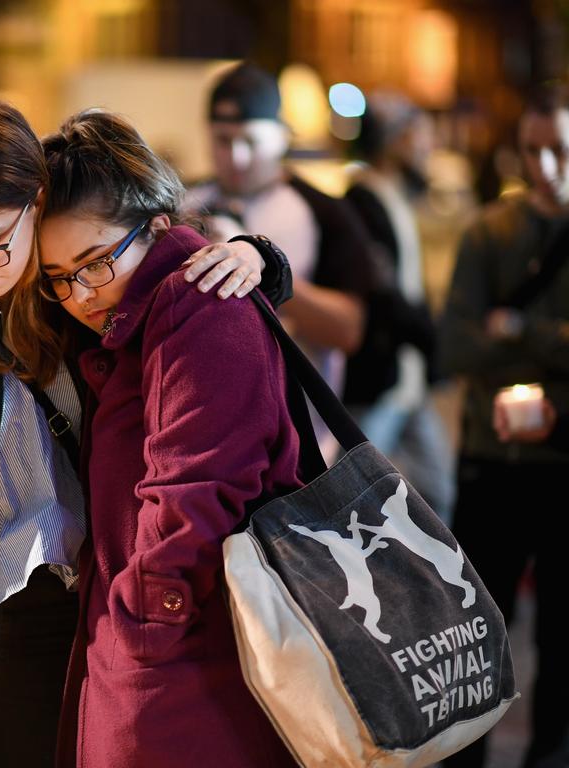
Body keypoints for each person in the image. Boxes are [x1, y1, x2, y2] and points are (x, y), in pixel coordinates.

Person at [0, 93, 290, 768]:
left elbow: (169, 258)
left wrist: (258, 256)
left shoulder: (80, 301)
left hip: (62, 629)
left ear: (36, 204)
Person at [37, 108, 302, 768]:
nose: (79, 293)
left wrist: (143, 627)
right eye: (59, 276)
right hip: (157, 652)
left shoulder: (198, 304)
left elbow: (196, 492)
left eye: (96, 261)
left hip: (187, 669)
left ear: (156, 224)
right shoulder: (128, 315)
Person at [437, 82, 569, 768]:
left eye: (561, 151)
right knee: (478, 629)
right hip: (493, 464)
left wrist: (521, 330)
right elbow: (454, 344)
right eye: (534, 150)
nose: (545, 167)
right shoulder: (491, 230)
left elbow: (481, 337)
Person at [184, 60, 375, 461]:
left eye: (251, 142)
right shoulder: (184, 205)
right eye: (222, 140)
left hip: (300, 441)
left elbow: (349, 330)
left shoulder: (325, 212)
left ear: (281, 137)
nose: (236, 157)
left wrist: (267, 271)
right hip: (203, 433)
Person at [342, 91, 455, 523]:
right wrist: (435, 340)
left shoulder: (392, 198)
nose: (428, 146)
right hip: (381, 381)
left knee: (436, 493)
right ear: (392, 141)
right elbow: (384, 294)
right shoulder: (363, 201)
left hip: (406, 380)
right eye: (419, 134)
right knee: (356, 497)